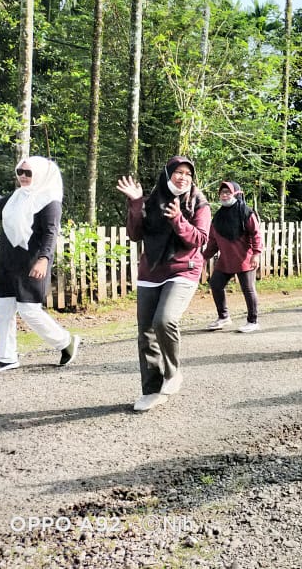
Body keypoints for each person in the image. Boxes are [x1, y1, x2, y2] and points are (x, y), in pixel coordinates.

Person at [117, 156, 210, 412]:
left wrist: (178, 219)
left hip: (184, 269)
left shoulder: (199, 203)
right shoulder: (151, 201)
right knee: (145, 332)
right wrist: (136, 202)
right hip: (151, 271)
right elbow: (135, 234)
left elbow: (200, 239)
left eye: (188, 174)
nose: (183, 177)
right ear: (168, 174)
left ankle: (173, 372)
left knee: (164, 320)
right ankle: (151, 391)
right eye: (178, 172)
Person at [0, 158, 80, 373]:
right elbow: (1, 205)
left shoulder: (49, 201)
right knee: (3, 309)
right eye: (20, 171)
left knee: (29, 310)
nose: (23, 176)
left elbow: (51, 232)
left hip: (32, 261)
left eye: (28, 173)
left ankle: (66, 341)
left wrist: (44, 259)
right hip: (8, 259)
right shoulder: (18, 196)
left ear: (41, 175)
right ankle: (7, 358)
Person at [205, 181, 263, 333]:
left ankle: (252, 321)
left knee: (248, 289)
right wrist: (204, 257)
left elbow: (256, 234)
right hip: (226, 259)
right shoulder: (218, 216)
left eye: (228, 192)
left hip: (244, 258)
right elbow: (213, 241)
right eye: (222, 193)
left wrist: (256, 253)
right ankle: (223, 317)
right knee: (215, 284)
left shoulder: (246, 212)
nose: (224, 195)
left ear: (236, 193)